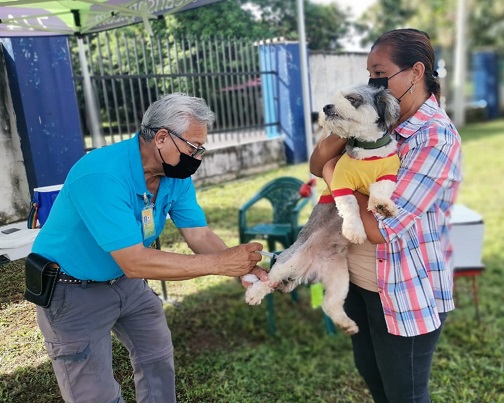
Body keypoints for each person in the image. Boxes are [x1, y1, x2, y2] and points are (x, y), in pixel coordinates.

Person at [30, 93, 268, 403]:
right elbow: (135, 260)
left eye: (201, 149)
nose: (197, 157)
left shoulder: (173, 176)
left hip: (126, 283)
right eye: (193, 148)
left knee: (157, 360)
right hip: (71, 289)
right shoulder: (102, 174)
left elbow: (198, 234)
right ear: (162, 138)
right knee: (94, 393)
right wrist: (220, 264)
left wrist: (245, 269)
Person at [310, 28, 462, 402]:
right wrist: (339, 144)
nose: (373, 86)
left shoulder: (434, 138)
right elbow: (317, 162)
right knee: (372, 376)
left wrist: (339, 180)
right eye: (369, 76)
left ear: (415, 72)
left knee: (404, 393)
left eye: (381, 75)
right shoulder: (375, 118)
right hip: (359, 281)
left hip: (402, 290)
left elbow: (380, 227)